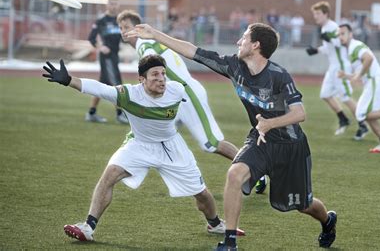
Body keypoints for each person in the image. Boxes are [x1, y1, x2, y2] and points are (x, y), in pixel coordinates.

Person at [126, 22, 338, 249]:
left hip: (291, 147)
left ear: (255, 45)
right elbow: (193, 51)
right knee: (235, 174)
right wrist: (154, 35)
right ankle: (229, 242)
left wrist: (270, 123)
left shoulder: (279, 76)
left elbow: (299, 113)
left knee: (303, 205)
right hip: (260, 140)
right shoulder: (234, 66)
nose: (239, 41)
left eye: (244, 38)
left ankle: (328, 220)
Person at [41, 55, 244, 242]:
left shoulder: (177, 90)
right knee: (109, 175)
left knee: (202, 194)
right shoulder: (128, 94)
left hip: (171, 147)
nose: (161, 79)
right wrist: (68, 80)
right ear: (142, 79)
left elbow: (196, 105)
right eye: (155, 74)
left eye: (163, 74)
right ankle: (88, 227)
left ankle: (215, 224)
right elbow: (98, 88)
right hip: (139, 144)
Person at [117, 10, 239, 161]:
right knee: (146, 133)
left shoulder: (144, 43)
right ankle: (124, 164)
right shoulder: (146, 43)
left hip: (187, 95)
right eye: (121, 27)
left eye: (126, 26)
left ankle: (251, 167)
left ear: (137, 28)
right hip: (174, 97)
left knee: (211, 144)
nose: (123, 31)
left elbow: (153, 65)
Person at [337, 24, 380, 153]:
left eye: (343, 33)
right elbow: (359, 72)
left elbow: (369, 59)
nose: (340, 37)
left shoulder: (354, 46)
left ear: (350, 34)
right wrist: (346, 76)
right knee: (366, 115)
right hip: (374, 82)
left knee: (361, 114)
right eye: (339, 34)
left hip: (376, 81)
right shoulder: (352, 49)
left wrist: (358, 75)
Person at [306, 1, 369, 140]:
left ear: (326, 14)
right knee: (325, 94)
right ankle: (343, 119)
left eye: (318, 13)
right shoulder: (324, 28)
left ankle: (363, 124)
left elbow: (341, 43)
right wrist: (316, 50)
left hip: (341, 67)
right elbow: (330, 49)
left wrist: (330, 38)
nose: (315, 16)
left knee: (346, 98)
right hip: (333, 67)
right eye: (314, 14)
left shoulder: (333, 27)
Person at [86, 0, 128, 124]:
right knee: (116, 85)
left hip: (114, 56)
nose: (113, 6)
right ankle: (120, 114)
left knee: (102, 85)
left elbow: (123, 38)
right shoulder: (101, 20)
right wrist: (101, 47)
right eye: (111, 3)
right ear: (107, 4)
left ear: (118, 5)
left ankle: (91, 113)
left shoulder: (120, 21)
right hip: (106, 57)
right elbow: (91, 38)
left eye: (115, 4)